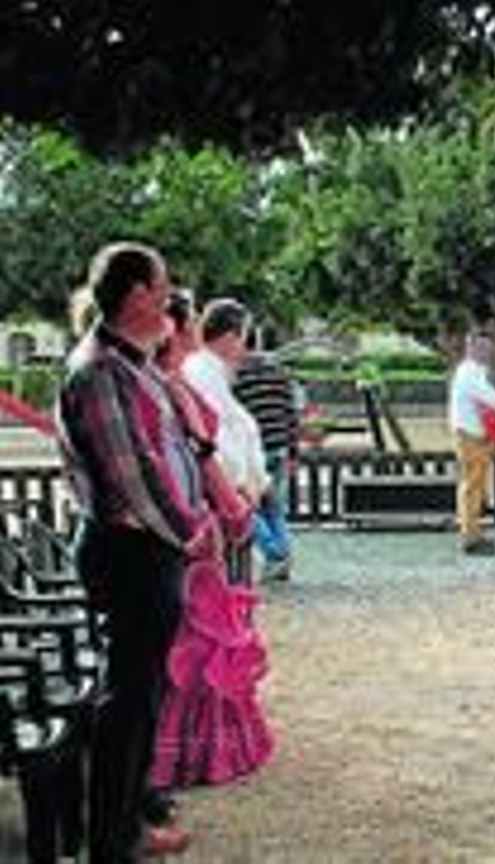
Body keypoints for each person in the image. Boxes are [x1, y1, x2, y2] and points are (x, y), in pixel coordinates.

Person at [57, 242, 204, 860]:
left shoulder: (131, 363)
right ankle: (111, 843)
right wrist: (190, 527)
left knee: (141, 696)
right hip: (130, 551)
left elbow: (170, 450)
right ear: (139, 293)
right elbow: (133, 477)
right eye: (163, 286)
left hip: (150, 549)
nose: (170, 297)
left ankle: (130, 826)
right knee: (127, 702)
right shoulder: (99, 371)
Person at [150, 290, 273, 794]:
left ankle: (198, 749)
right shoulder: (176, 381)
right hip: (192, 524)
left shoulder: (174, 379)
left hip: (201, 518)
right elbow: (202, 451)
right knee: (197, 642)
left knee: (204, 638)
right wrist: (230, 502)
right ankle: (186, 753)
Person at [182, 299, 270, 585]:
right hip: (227, 498)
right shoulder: (202, 371)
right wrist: (240, 486)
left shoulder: (210, 371)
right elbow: (215, 438)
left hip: (232, 497)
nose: (245, 348)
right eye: (244, 338)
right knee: (227, 586)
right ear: (230, 337)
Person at [232, 330, 301, 582]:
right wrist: (294, 451)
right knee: (275, 508)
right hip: (280, 448)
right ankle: (280, 561)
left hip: (253, 452)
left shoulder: (236, 375)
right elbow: (292, 415)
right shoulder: (280, 373)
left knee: (249, 507)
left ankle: (276, 553)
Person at [448, 330, 495, 555]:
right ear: (469, 348)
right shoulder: (468, 372)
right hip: (469, 435)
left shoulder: (477, 371)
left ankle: (473, 532)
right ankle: (469, 536)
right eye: (480, 347)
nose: (485, 351)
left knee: (475, 486)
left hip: (477, 436)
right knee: (472, 485)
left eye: (488, 347)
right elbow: (488, 398)